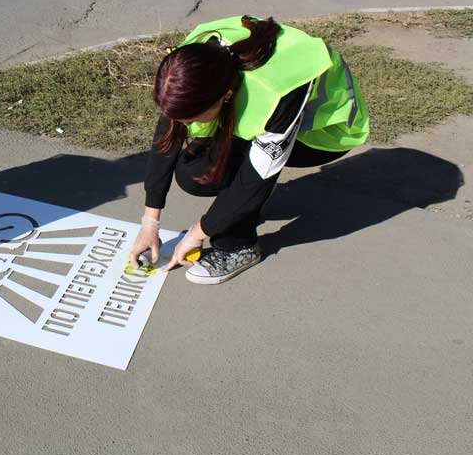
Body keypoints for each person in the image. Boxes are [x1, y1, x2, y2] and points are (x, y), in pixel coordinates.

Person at [129, 15, 369, 284]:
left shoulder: (276, 92)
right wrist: (150, 222)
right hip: (259, 112)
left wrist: (198, 232)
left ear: (225, 96)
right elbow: (167, 133)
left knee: (243, 167)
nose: (186, 126)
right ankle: (235, 214)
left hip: (324, 136)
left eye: (193, 118)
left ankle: (239, 246)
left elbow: (258, 174)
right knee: (196, 172)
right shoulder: (190, 59)